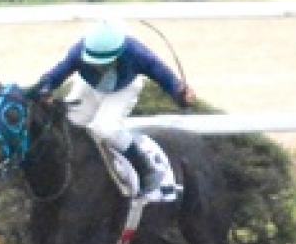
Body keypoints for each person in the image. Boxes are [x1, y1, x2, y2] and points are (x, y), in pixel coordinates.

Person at [30, 20, 196, 194]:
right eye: (94, 62)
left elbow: (160, 72)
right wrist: (44, 89)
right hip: (89, 86)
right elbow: (57, 73)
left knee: (105, 129)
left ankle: (145, 167)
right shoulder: (78, 51)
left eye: (103, 63)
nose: (98, 66)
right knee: (69, 125)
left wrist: (179, 92)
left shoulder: (135, 51)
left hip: (123, 88)